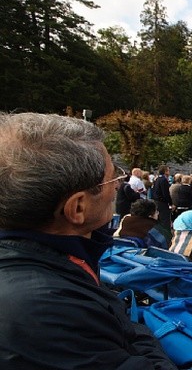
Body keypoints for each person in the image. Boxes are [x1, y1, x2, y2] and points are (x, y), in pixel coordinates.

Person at [0, 113, 175, 369]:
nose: (118, 186)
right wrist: (134, 331)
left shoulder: (47, 267)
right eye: (113, 178)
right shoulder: (50, 311)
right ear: (78, 208)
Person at [151, 165, 172, 229]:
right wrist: (170, 202)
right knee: (165, 219)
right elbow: (165, 193)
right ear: (165, 171)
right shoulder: (163, 180)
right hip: (162, 202)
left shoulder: (157, 179)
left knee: (159, 217)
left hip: (156, 200)